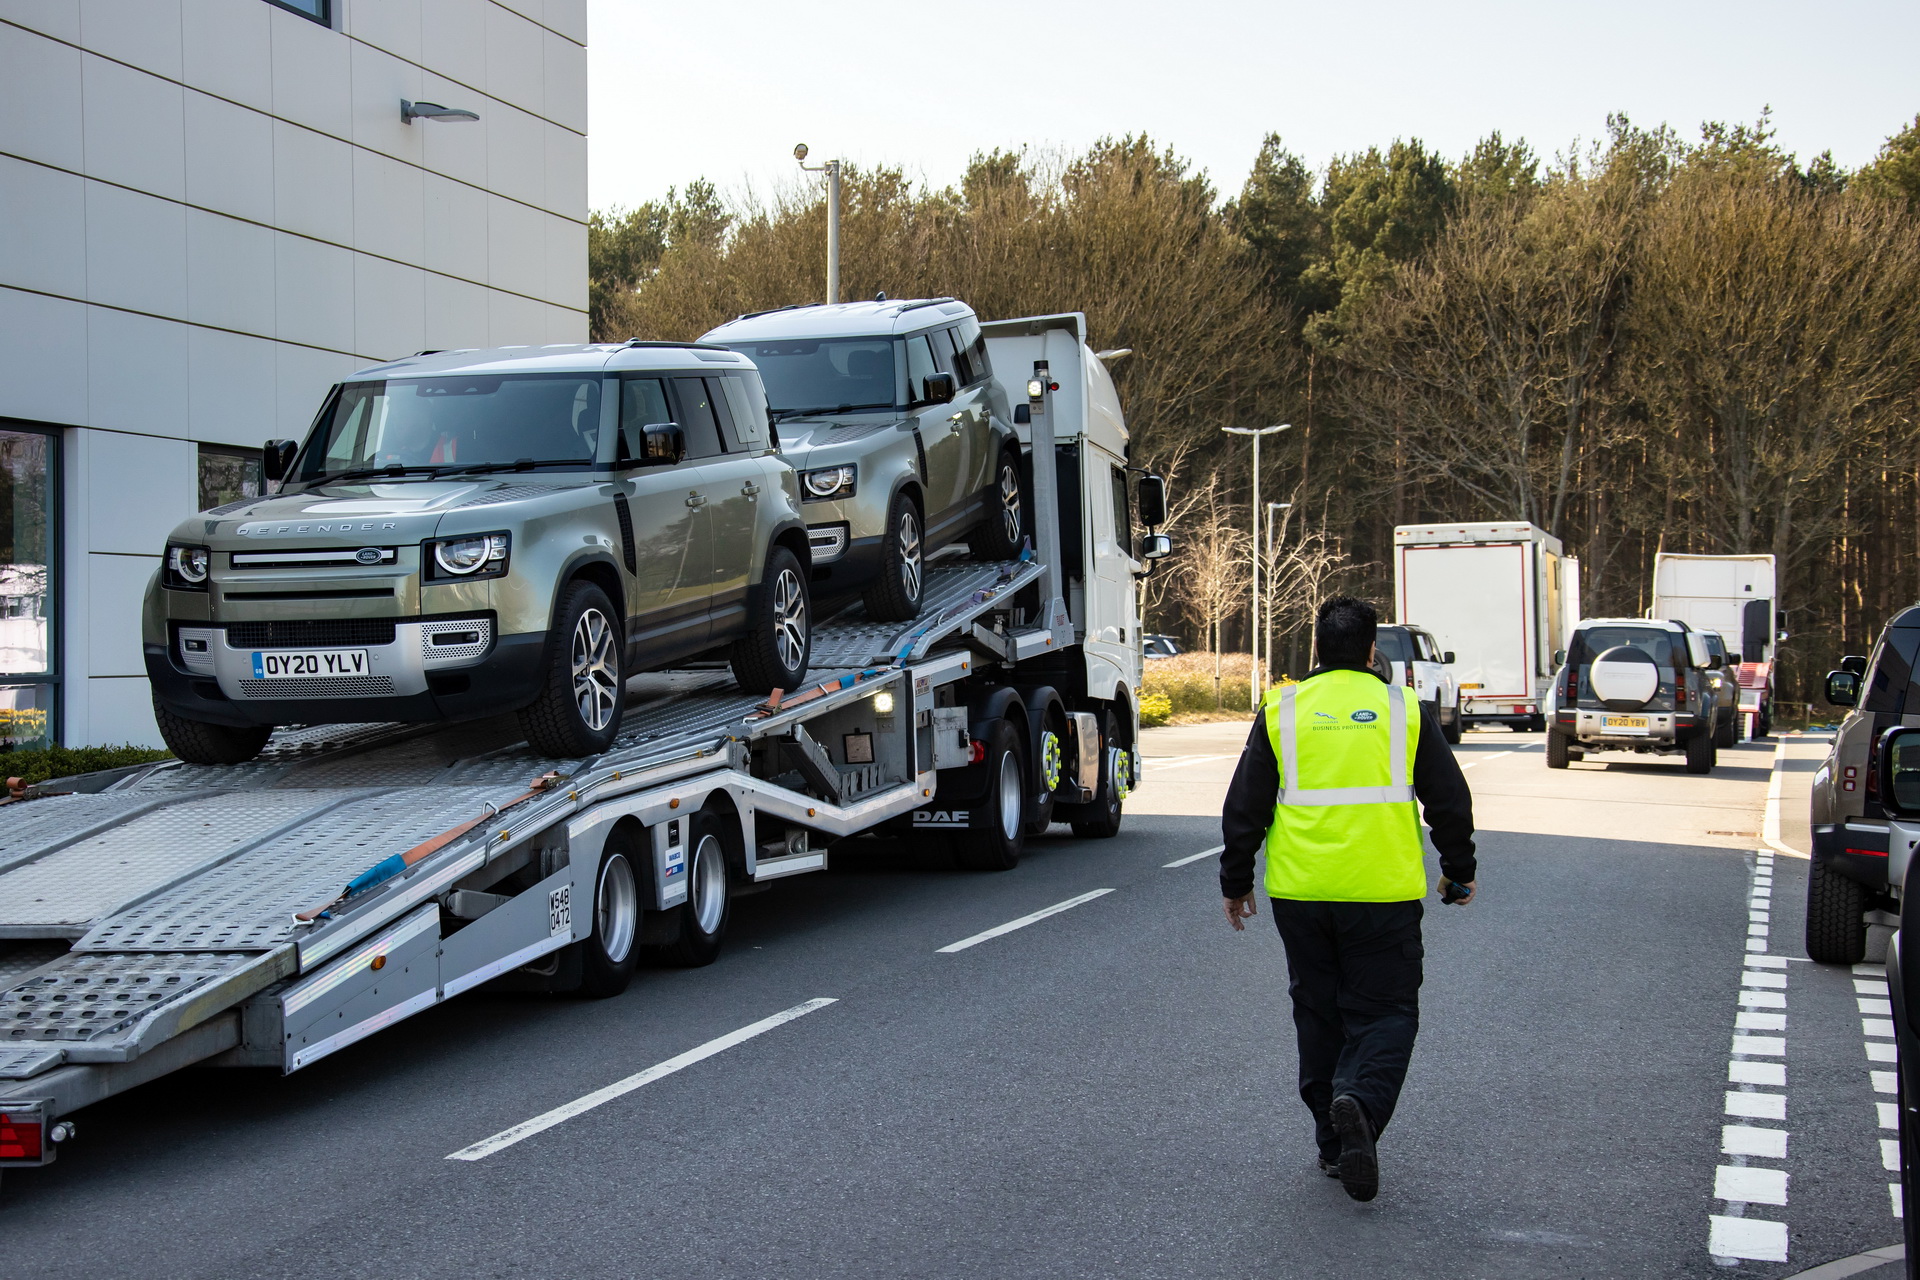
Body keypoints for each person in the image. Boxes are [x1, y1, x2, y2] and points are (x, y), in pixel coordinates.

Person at [1219, 595, 1477, 1202]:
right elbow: (1448, 800)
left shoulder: (1282, 707)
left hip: (1301, 894)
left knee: (1318, 1013)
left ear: (1316, 647)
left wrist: (1236, 881)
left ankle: (1334, 1145)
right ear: (1371, 651)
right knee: (1386, 1013)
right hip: (1382, 894)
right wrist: (1458, 871)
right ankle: (1359, 1101)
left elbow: (1246, 802)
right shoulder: (1403, 707)